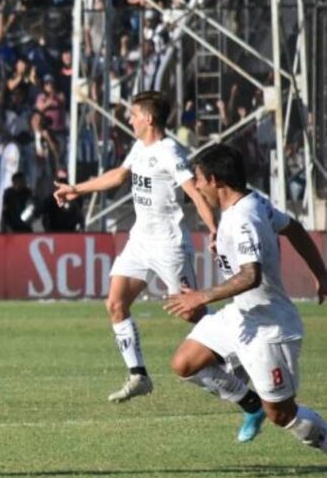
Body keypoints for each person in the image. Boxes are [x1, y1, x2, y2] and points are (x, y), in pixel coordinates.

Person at [54, 91, 218, 403]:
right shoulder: (139, 147)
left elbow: (195, 194)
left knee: (191, 312)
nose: (129, 119)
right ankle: (138, 375)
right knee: (115, 304)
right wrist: (77, 189)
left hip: (169, 244)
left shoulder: (171, 152)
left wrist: (214, 231)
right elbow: (118, 176)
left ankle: (235, 344)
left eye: (133, 114)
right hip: (141, 239)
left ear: (149, 119)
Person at [164, 144, 327, 450]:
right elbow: (294, 229)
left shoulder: (243, 219)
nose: (195, 186)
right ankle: (249, 404)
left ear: (215, 180)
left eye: (198, 179)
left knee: (281, 414)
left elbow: (252, 275)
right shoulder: (250, 204)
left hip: (269, 327)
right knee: (185, 363)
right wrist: (322, 273)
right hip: (241, 315)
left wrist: (201, 297)